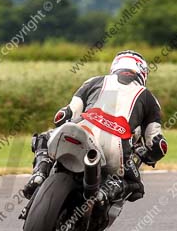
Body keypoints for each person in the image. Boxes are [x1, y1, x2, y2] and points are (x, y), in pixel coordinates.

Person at [22, 50, 168, 209]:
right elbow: (157, 143)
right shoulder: (149, 98)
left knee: (43, 139)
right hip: (115, 148)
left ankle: (40, 173)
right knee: (135, 185)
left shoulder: (95, 81)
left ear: (115, 67)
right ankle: (105, 193)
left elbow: (64, 115)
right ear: (142, 73)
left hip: (82, 132)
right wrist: (148, 155)